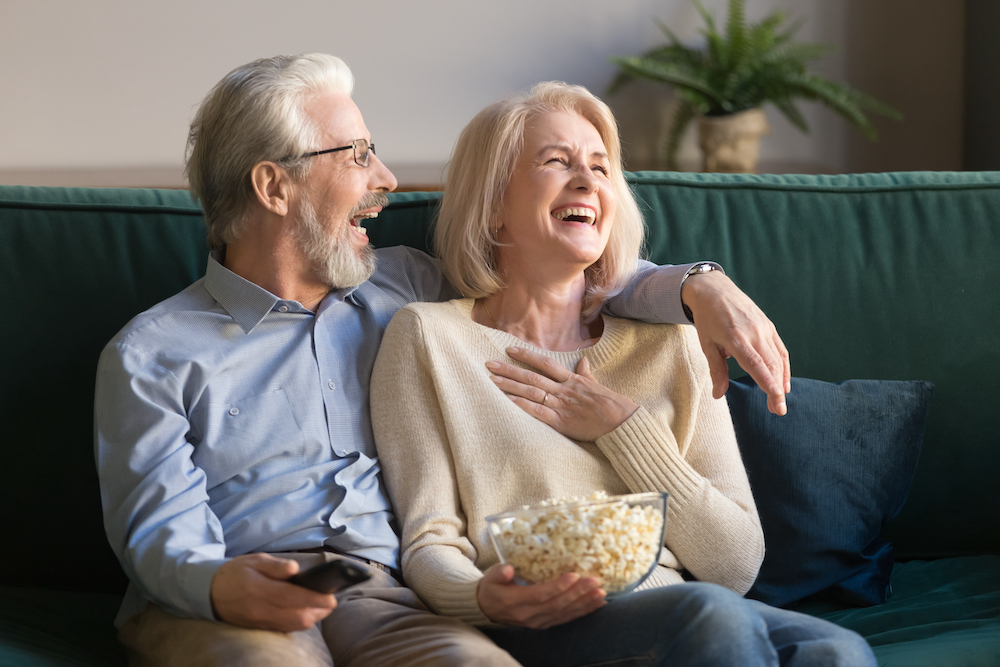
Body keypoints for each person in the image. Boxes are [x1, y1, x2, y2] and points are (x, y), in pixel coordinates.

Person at [95, 53, 789, 666]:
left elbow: (562, 270)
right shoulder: (151, 352)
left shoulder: (410, 285)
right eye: (358, 155)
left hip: (381, 595)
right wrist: (218, 587)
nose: (388, 179)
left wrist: (700, 285)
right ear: (274, 187)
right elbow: (157, 533)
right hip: (222, 598)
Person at [370, 81, 877, 666]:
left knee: (835, 648)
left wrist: (623, 427)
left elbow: (734, 565)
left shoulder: (673, 344)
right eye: (556, 162)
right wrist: (481, 596)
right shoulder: (429, 339)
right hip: (539, 624)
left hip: (689, 613)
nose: (586, 181)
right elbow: (430, 540)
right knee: (710, 617)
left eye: (600, 167)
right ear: (493, 207)